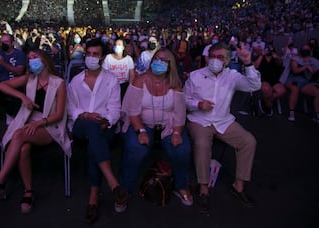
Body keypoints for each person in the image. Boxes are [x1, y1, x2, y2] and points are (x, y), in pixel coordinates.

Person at [0, 49, 71, 214]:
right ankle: (28, 191)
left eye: (35, 57)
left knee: (18, 135)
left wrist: (39, 124)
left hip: (49, 125)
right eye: (29, 59)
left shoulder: (59, 83)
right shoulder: (29, 79)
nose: (31, 61)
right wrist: (23, 97)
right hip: (29, 121)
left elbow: (58, 115)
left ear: (44, 60)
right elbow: (1, 85)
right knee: (23, 148)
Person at [184, 43, 261, 214]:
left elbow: (254, 86)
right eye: (213, 56)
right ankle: (203, 188)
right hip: (200, 120)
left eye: (220, 57)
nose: (215, 60)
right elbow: (184, 100)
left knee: (249, 141)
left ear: (227, 60)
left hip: (223, 121)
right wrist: (198, 104)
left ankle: (238, 185)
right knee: (202, 144)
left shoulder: (233, 76)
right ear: (207, 57)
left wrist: (248, 63)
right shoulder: (195, 75)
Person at [120, 47, 193, 209]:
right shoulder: (140, 80)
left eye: (164, 61)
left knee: (181, 149)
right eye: (156, 60)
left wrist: (176, 132)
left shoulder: (175, 85)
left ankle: (181, 185)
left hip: (168, 126)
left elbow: (180, 114)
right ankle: (125, 188)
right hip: (142, 124)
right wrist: (141, 131)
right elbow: (132, 111)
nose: (159, 63)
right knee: (135, 147)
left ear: (170, 65)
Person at [67, 39, 127, 224]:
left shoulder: (111, 80)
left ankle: (93, 199)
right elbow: (70, 108)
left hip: (104, 125)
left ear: (101, 57)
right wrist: (84, 114)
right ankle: (112, 182)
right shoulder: (75, 81)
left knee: (95, 137)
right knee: (93, 130)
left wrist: (105, 121)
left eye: (96, 54)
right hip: (80, 124)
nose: (91, 57)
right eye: (89, 54)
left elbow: (115, 109)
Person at [0, 33, 26, 118]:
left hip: (16, 83)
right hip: (2, 83)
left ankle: (12, 116)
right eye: (2, 42)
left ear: (12, 43)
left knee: (15, 103)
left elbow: (19, 72)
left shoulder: (19, 54)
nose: (4, 44)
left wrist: (3, 63)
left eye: (7, 41)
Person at [284, 44, 319, 123]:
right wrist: (306, 66)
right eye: (304, 49)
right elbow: (295, 70)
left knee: (317, 92)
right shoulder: (295, 59)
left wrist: (311, 68)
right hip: (292, 80)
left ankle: (317, 115)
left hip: (305, 82)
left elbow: (314, 71)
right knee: (295, 89)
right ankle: (291, 112)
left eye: (307, 49)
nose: (305, 51)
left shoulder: (313, 61)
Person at [254, 43, 286, 115]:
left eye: (271, 49)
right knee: (267, 89)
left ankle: (266, 101)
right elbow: (255, 66)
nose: (269, 50)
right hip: (262, 78)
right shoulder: (261, 57)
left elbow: (280, 64)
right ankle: (268, 105)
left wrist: (277, 57)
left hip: (273, 79)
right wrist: (261, 55)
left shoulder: (275, 58)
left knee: (282, 91)